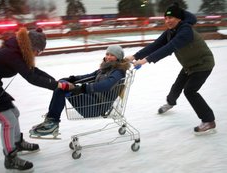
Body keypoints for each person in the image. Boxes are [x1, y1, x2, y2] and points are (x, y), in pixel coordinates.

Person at [0, 27, 73, 171]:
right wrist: (57, 85)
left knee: (14, 112)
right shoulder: (12, 54)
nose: (38, 54)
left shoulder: (19, 50)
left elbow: (33, 71)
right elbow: (31, 78)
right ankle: (10, 158)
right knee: (8, 121)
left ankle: (17, 142)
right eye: (38, 51)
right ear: (31, 46)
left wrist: (56, 82)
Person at [126, 3, 216, 135]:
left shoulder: (186, 31)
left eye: (171, 18)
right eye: (166, 18)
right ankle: (170, 102)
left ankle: (209, 121)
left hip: (203, 64)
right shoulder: (170, 32)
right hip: (189, 65)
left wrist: (146, 60)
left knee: (190, 91)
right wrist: (135, 56)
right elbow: (156, 45)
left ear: (179, 19)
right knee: (177, 85)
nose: (167, 21)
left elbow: (169, 48)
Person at [30, 45, 130, 137]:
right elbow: (88, 76)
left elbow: (107, 85)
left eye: (112, 55)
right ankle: (51, 120)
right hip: (92, 100)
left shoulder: (119, 72)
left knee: (62, 89)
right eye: (107, 54)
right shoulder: (105, 68)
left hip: (97, 106)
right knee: (62, 84)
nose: (108, 57)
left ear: (118, 57)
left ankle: (52, 122)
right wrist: (72, 79)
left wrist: (83, 88)